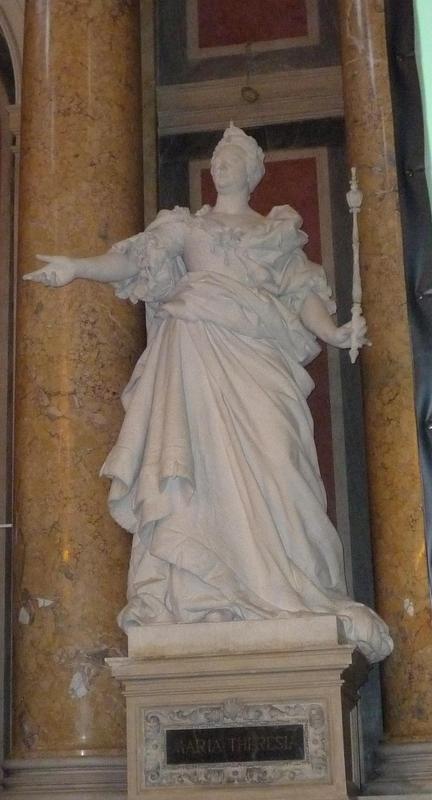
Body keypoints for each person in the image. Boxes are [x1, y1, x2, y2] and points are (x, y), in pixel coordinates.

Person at [25, 124, 392, 662]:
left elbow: (302, 292)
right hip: (196, 357)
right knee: (196, 472)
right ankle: (205, 597)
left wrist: (334, 332)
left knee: (280, 461)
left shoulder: (275, 232)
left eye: (233, 156)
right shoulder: (185, 227)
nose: (221, 162)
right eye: (217, 155)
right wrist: (77, 269)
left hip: (259, 364)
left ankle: (291, 586)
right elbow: (134, 260)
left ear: (253, 170)